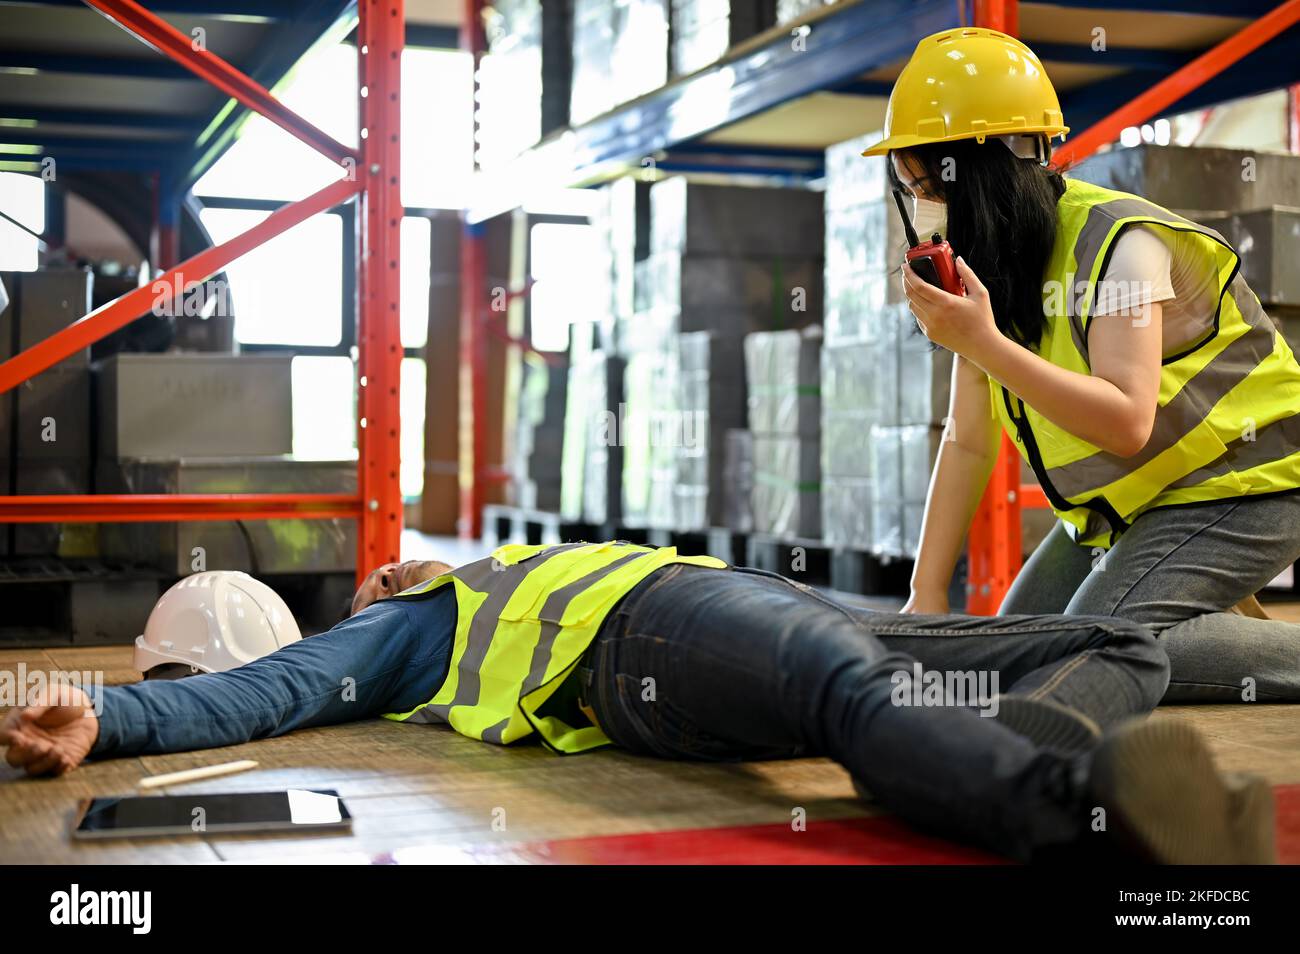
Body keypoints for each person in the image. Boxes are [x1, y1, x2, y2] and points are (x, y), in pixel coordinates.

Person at [0, 541, 1275, 863]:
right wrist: (116, 721)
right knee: (846, 695)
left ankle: (1028, 730)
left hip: (742, 598)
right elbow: (265, 696)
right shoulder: (391, 629)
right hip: (650, 641)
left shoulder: (451, 577)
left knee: (1107, 635)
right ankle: (1068, 811)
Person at [869, 28, 1300, 701]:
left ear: (973, 172)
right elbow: (967, 438)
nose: (920, 207)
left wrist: (980, 340)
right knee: (1021, 654)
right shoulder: (1000, 267)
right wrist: (924, 590)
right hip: (1135, 504)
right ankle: (1167, 609)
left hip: (1252, 483)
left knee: (1094, 651)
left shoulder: (1121, 242)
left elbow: (1127, 420)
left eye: (925, 181)